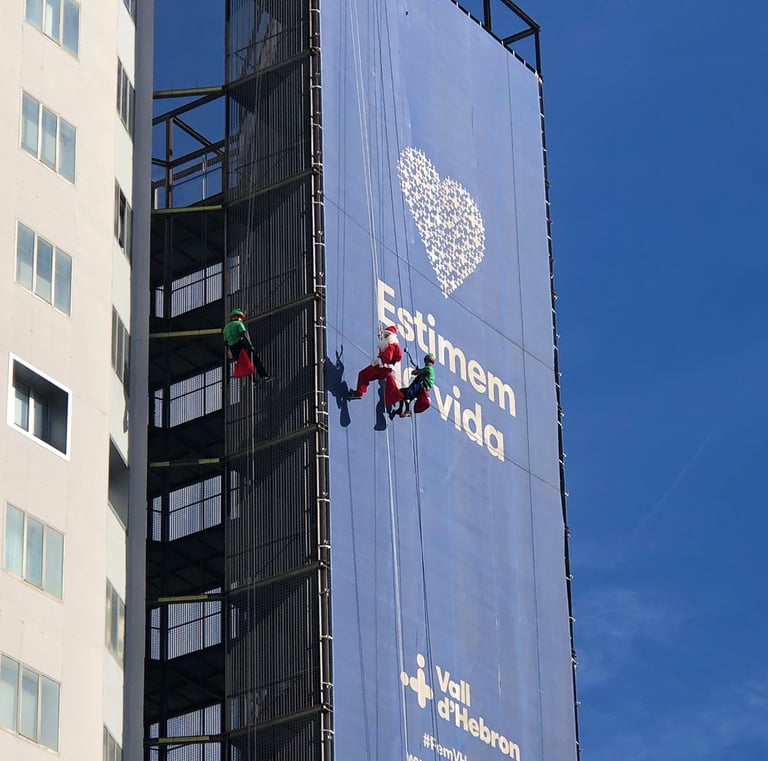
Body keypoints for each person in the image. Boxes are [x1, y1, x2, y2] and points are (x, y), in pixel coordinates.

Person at [348, 325, 403, 406]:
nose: (385, 336)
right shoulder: (392, 345)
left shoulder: (391, 346)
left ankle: (359, 393)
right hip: (385, 370)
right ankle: (359, 392)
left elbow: (387, 357)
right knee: (365, 376)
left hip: (381, 367)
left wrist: (379, 361)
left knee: (363, 374)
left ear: (390, 336)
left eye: (386, 335)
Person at [223, 309, 271, 380]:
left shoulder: (225, 328)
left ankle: (253, 381)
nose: (241, 320)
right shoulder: (239, 324)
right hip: (242, 346)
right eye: (240, 318)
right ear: (236, 317)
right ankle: (265, 376)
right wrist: (250, 346)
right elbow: (244, 335)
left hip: (234, 350)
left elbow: (226, 342)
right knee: (255, 360)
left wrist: (229, 352)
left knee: (246, 364)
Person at [394, 353, 436, 417]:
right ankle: (400, 409)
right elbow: (422, 373)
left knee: (407, 394)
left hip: (420, 385)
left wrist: (416, 371)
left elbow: (416, 372)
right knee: (402, 392)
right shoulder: (430, 370)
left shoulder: (428, 368)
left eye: (426, 360)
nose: (425, 362)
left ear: (428, 360)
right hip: (421, 389)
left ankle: (407, 411)